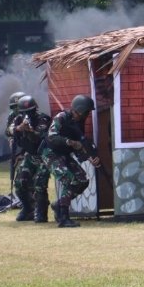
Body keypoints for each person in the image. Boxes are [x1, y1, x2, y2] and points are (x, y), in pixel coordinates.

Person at [42, 94, 101, 228]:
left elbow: (80, 144)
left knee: (82, 181)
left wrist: (90, 157)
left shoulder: (79, 124)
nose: (87, 115)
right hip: (51, 154)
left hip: (64, 155)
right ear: (79, 110)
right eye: (86, 112)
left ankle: (59, 204)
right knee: (69, 180)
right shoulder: (61, 118)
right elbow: (52, 137)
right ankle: (64, 217)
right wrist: (70, 142)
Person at [7, 94, 52, 223]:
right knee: (20, 183)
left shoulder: (43, 119)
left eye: (30, 112)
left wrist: (30, 131)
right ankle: (28, 208)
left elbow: (40, 137)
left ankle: (41, 212)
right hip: (30, 155)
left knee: (39, 184)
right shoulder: (18, 119)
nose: (28, 115)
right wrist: (18, 128)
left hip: (44, 156)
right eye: (25, 112)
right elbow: (8, 131)